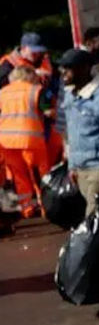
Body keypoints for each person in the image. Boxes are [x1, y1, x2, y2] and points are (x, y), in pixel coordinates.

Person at [58, 49, 99, 217]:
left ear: (84, 69)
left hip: (98, 171)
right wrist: (72, 166)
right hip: (79, 171)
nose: (63, 72)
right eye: (62, 67)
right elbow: (70, 131)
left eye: (68, 67)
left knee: (94, 221)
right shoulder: (70, 95)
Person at [0, 66, 54, 218]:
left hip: (6, 141)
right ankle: (46, 206)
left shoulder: (2, 92)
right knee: (39, 174)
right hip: (30, 139)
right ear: (30, 76)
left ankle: (27, 208)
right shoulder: (36, 90)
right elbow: (49, 111)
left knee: (19, 175)